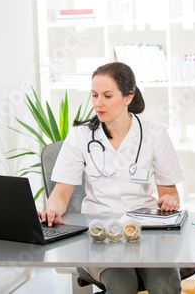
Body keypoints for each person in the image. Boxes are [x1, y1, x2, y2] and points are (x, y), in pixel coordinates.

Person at [38, 62, 184, 294]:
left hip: (144, 232)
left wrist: (169, 201)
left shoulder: (155, 134)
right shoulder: (80, 136)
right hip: (99, 234)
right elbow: (61, 193)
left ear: (128, 97)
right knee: (122, 284)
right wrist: (53, 211)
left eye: (107, 95)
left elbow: (170, 192)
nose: (98, 103)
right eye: (94, 95)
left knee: (165, 283)